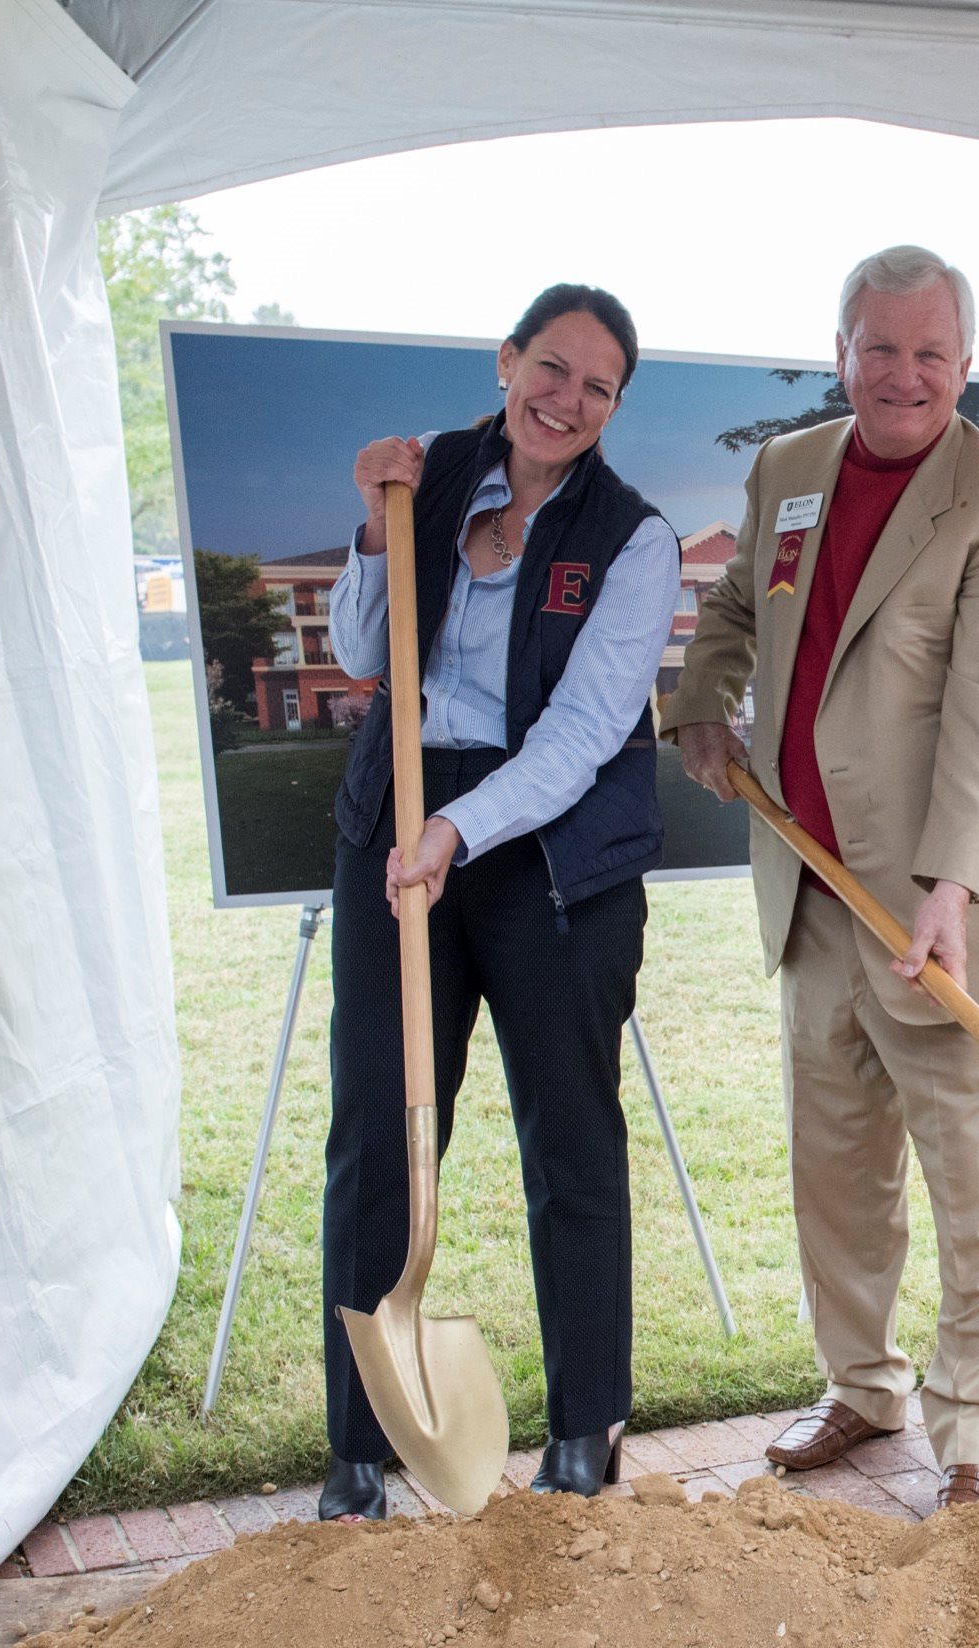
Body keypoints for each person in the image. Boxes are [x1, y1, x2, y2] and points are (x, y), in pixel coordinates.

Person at [668, 246, 979, 1508]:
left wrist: (949, 886)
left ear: (965, 362)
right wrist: (701, 705)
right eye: (880, 348)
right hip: (806, 876)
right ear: (840, 350)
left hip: (938, 906)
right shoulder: (790, 472)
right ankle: (862, 1383)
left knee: (968, 1172)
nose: (905, 375)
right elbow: (737, 607)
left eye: (931, 353)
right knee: (835, 1160)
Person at [316, 283, 681, 1513]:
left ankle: (585, 1434)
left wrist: (460, 829)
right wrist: (373, 532)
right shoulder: (428, 478)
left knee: (569, 1138)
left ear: (613, 407)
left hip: (550, 857)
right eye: (553, 367)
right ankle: (359, 1448)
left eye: (598, 387)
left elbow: (583, 733)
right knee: (377, 1131)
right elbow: (366, 653)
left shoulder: (633, 538)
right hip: (397, 835)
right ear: (507, 359)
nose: (567, 400)